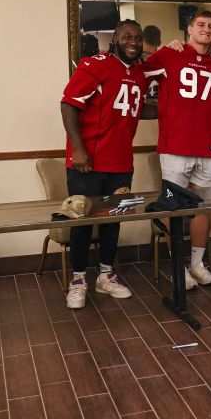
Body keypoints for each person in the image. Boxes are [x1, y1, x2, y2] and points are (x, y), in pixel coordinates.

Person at [59, 19, 147, 307]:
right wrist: (79, 151)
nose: (133, 42)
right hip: (89, 162)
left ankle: (106, 275)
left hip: (121, 162)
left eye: (138, 37)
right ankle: (78, 280)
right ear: (115, 40)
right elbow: (68, 104)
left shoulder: (140, 73)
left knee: (113, 221)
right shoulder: (95, 64)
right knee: (82, 222)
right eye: (127, 37)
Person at [139, 9, 211, 288]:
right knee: (172, 208)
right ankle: (178, 266)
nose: (207, 29)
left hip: (208, 145)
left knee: (204, 209)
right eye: (201, 24)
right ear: (189, 29)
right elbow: (138, 77)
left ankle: (197, 264)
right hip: (175, 145)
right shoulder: (168, 55)